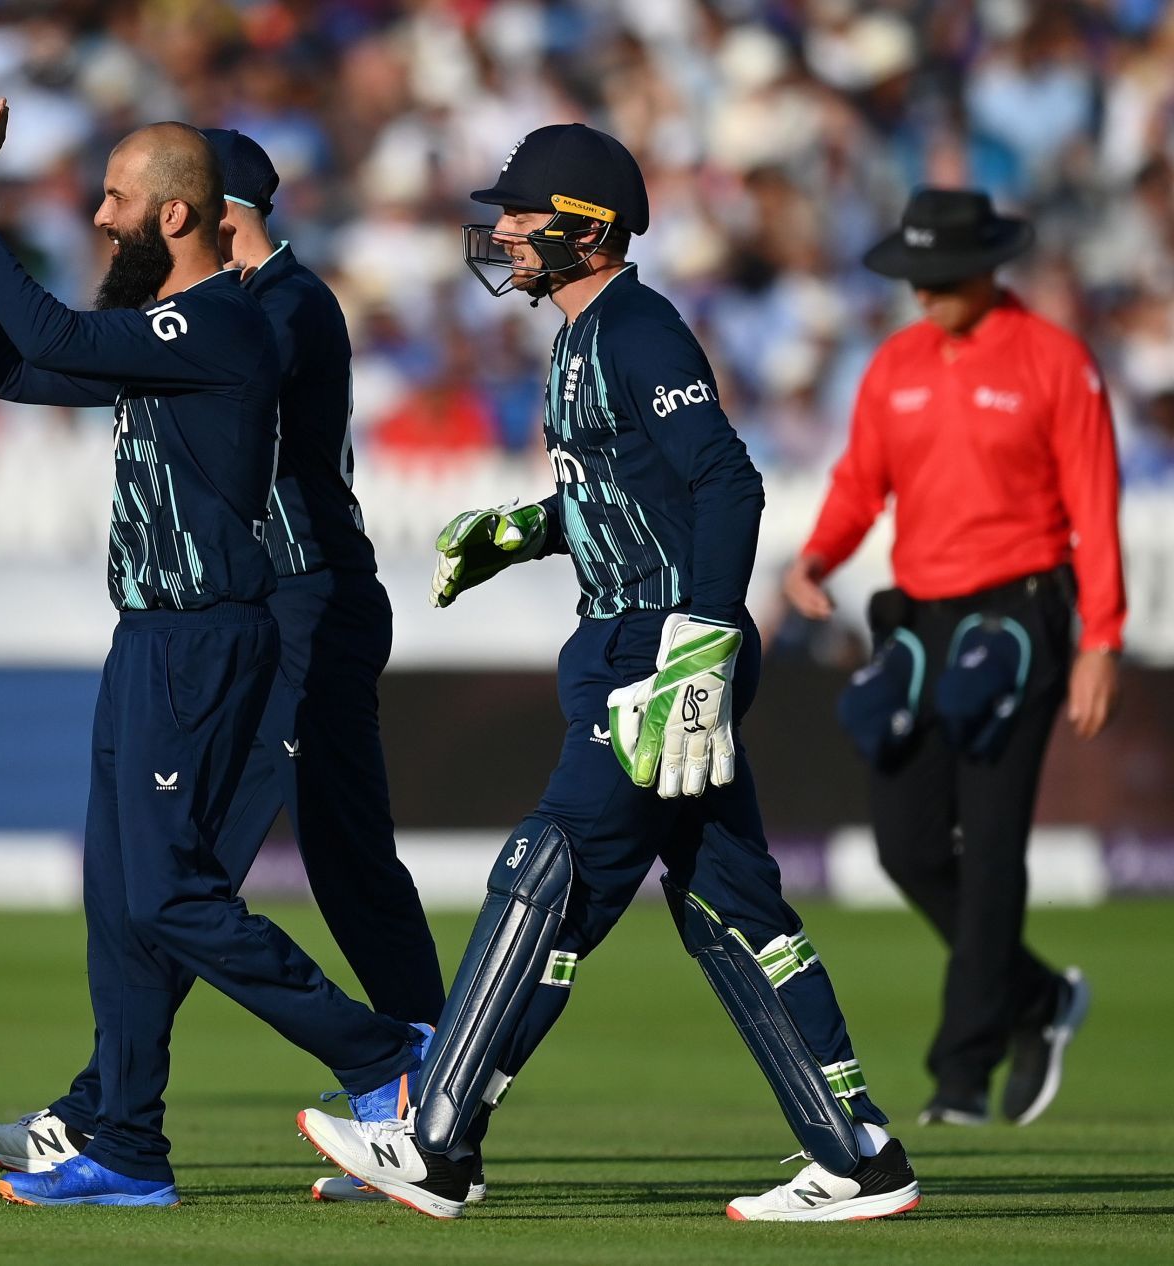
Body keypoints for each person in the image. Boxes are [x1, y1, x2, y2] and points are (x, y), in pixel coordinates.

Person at [295, 124, 921, 1223]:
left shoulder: (639, 329)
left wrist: (702, 640)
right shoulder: (578, 338)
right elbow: (630, 495)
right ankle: (858, 1154)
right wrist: (527, 530)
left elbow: (726, 486)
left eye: (524, 215)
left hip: (655, 645)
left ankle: (436, 1142)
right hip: (631, 637)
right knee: (729, 906)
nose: (504, 233)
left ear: (588, 227)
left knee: (549, 870)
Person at [0, 128, 450, 1204]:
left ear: (187, 213)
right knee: (134, 895)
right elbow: (24, 361)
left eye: (117, 197)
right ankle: (120, 1130)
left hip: (243, 619)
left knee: (196, 888)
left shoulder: (242, 315)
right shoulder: (177, 325)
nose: (98, 217)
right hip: (167, 626)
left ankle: (391, 1065)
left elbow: (60, 329)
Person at [783, 188, 1117, 1128]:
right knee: (907, 843)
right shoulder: (894, 367)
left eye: (938, 279)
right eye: (912, 280)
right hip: (921, 621)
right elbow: (859, 483)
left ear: (986, 268)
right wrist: (818, 554)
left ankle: (961, 1073)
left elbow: (1095, 509)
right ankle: (1040, 998)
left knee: (994, 838)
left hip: (1022, 618)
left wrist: (1102, 642)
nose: (922, 296)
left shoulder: (1056, 361)